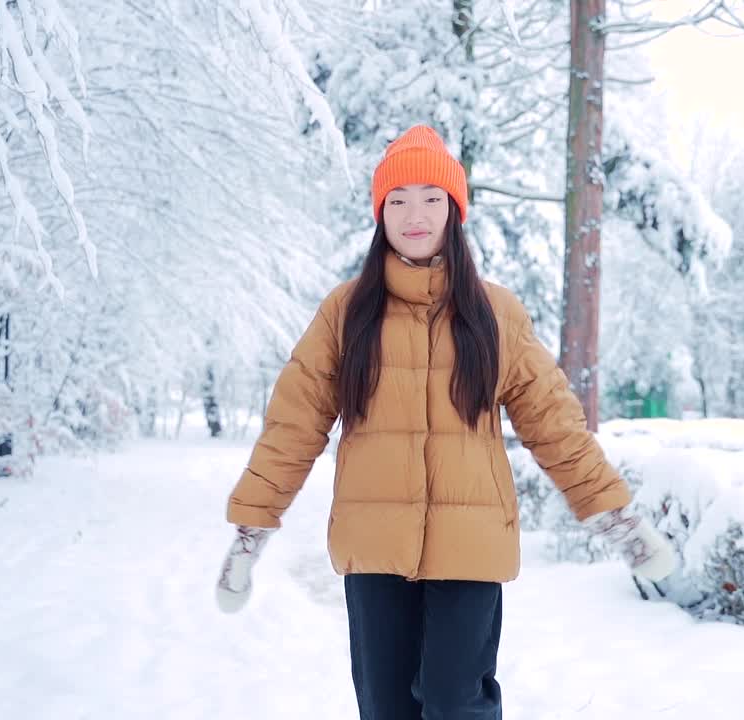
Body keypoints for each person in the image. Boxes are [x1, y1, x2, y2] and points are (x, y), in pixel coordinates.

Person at [217, 125, 677, 719]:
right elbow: (293, 425)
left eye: (432, 198)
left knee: (456, 703)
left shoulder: (495, 313)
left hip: (471, 546)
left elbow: (554, 424)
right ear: (380, 212)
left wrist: (615, 517)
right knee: (386, 706)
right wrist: (251, 529)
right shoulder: (346, 312)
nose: (415, 214)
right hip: (376, 545)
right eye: (399, 199)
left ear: (454, 211)